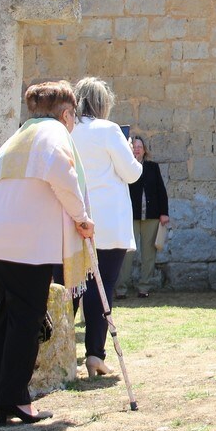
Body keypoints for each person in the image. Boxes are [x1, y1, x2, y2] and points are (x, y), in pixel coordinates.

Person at [0, 80, 95, 425]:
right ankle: (15, 400)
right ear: (66, 114)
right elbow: (64, 179)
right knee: (26, 320)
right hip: (26, 244)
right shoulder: (53, 135)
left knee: (7, 317)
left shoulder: (17, 137)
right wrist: (82, 219)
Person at [68, 77, 142, 377]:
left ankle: (52, 350)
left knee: (71, 287)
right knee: (103, 286)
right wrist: (127, 148)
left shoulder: (68, 131)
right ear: (102, 104)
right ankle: (95, 354)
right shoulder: (108, 130)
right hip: (108, 222)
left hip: (76, 217)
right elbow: (132, 173)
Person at [116, 136, 170, 299]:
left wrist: (164, 213)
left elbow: (161, 190)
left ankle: (144, 287)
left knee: (148, 254)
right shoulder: (124, 167)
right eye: (134, 146)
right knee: (126, 255)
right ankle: (120, 289)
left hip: (151, 216)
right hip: (130, 216)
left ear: (144, 150)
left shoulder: (153, 167)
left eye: (140, 146)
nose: (137, 149)